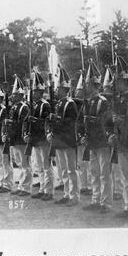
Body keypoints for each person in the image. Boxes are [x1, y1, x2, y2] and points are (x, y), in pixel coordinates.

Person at [78, 59, 113, 213]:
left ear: (96, 86)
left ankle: (105, 203)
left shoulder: (103, 102)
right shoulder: (87, 102)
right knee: (94, 171)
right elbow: (81, 122)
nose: (87, 87)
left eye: (89, 85)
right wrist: (82, 135)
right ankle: (95, 199)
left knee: (104, 172)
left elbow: (108, 122)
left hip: (102, 141)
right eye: (87, 84)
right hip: (91, 141)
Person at [46, 65, 79, 206]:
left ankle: (74, 196)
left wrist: (56, 119)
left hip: (68, 139)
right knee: (63, 169)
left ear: (65, 89)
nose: (57, 90)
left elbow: (72, 122)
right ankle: (66, 193)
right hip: (59, 140)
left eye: (59, 88)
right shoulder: (59, 103)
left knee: (71, 170)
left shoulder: (70, 104)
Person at [111, 55, 128, 220]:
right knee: (126, 177)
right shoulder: (117, 100)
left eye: (118, 81)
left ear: (125, 82)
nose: (115, 84)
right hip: (121, 142)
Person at [24, 69, 54, 201]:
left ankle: (49, 190)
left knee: (46, 167)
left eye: (36, 91)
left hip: (43, 138)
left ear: (40, 92)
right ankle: (42, 188)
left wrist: (34, 120)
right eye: (33, 91)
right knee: (40, 167)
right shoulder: (34, 105)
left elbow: (47, 121)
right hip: (36, 139)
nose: (34, 93)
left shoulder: (45, 105)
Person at [7, 75, 32, 197]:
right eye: (13, 94)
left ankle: (26, 187)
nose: (13, 96)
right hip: (14, 138)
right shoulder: (14, 107)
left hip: (20, 138)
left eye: (16, 94)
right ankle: (21, 185)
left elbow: (24, 123)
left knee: (24, 163)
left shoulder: (24, 107)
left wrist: (12, 123)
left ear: (21, 95)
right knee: (19, 163)